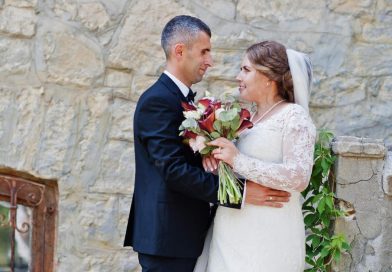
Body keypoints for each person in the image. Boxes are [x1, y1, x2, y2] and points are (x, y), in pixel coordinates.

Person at [123, 16, 291, 272]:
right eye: (204, 52)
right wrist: (241, 193)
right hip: (168, 238)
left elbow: (183, 159)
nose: (210, 61)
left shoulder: (182, 100)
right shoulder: (157, 101)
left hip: (184, 236)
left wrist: (206, 156)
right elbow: (173, 171)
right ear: (180, 51)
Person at [205, 41, 316, 271]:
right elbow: (239, 174)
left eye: (245, 70)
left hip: (267, 236)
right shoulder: (245, 120)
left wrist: (238, 160)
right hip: (229, 232)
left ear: (268, 77)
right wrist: (217, 163)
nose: (238, 77)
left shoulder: (294, 116)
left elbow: (298, 177)